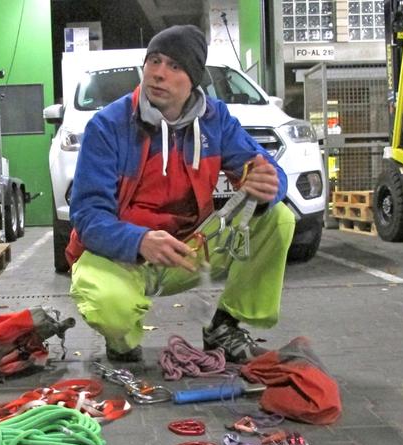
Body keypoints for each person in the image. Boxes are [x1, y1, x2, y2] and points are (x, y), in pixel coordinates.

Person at [65, 25, 295, 363]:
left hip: (187, 249)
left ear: (193, 80)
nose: (159, 73)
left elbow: (267, 170)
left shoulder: (217, 120)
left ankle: (224, 327)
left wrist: (266, 185)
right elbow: (86, 216)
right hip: (119, 254)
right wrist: (139, 241)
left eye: (174, 66)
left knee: (278, 218)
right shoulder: (107, 125)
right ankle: (122, 341)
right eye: (154, 61)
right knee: (108, 306)